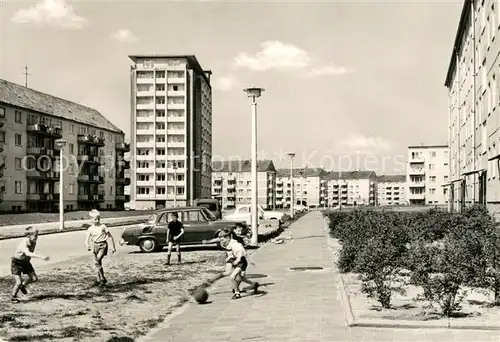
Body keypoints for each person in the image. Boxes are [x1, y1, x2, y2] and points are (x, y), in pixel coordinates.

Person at [10, 226, 50, 303]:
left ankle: (23, 285)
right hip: (17, 262)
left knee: (34, 278)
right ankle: (13, 297)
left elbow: (28, 255)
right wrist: (41, 257)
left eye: (37, 235)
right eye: (35, 235)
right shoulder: (24, 243)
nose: (37, 237)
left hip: (26, 262)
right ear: (28, 236)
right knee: (18, 282)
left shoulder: (34, 242)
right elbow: (28, 253)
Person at [217, 228, 259, 299]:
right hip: (235, 260)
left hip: (241, 262)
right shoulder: (228, 243)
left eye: (222, 240)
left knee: (232, 276)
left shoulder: (236, 245)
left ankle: (237, 293)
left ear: (228, 238)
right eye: (220, 240)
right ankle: (254, 284)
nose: (221, 242)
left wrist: (238, 259)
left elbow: (241, 252)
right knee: (240, 278)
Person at [85, 209, 116, 286]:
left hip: (103, 245)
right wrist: (88, 245)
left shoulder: (103, 226)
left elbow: (110, 236)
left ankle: (103, 278)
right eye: (95, 219)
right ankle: (99, 279)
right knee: (98, 263)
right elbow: (86, 240)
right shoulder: (90, 229)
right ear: (91, 219)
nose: (97, 220)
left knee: (96, 261)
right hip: (95, 246)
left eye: (99, 218)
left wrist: (113, 247)